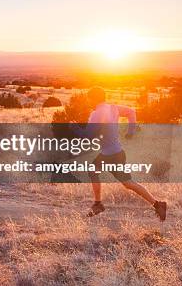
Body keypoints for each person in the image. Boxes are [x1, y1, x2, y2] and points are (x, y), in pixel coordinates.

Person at [71, 86, 167, 221]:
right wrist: (130, 132)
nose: (88, 102)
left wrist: (73, 127)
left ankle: (98, 205)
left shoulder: (96, 114)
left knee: (95, 171)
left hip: (109, 155)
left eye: (89, 99)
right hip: (117, 153)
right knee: (128, 183)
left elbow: (87, 136)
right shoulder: (113, 108)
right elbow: (131, 112)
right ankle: (158, 204)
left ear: (93, 99)